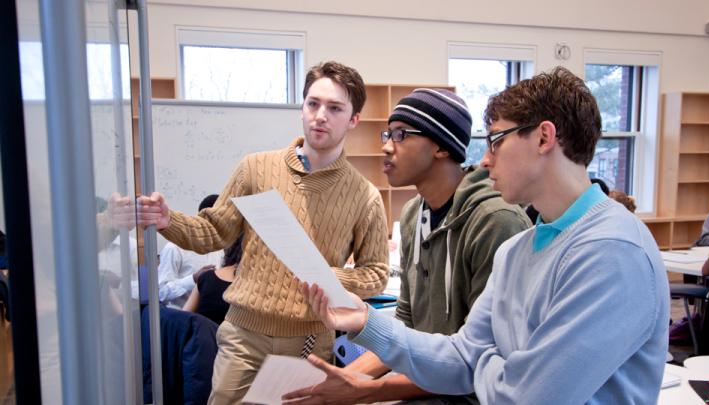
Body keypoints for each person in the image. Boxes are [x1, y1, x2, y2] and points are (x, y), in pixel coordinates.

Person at [301, 67, 670, 404]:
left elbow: (525, 398)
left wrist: (487, 363)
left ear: (544, 137)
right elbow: (461, 358)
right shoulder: (516, 250)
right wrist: (365, 320)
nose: (485, 159)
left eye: (496, 140)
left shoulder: (613, 251)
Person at [137, 61, 389, 403]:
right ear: (302, 108)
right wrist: (168, 220)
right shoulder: (256, 169)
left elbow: (376, 273)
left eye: (334, 108)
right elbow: (213, 231)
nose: (320, 115)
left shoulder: (365, 195)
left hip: (310, 341)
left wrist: (329, 279)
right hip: (244, 335)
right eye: (313, 104)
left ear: (354, 119)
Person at [285, 89, 531, 404]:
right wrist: (342, 380)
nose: (387, 146)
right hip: (425, 382)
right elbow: (405, 325)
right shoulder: (415, 214)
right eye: (388, 133)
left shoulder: (495, 222)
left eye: (401, 134)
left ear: (442, 146)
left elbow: (483, 358)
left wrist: (365, 391)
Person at [157, 194, 224, 309]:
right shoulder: (173, 248)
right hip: (182, 317)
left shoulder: (222, 249)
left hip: (210, 315)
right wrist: (193, 279)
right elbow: (161, 293)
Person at [184, 236, 243, 325]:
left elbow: (184, 317)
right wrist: (192, 278)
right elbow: (162, 291)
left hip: (201, 335)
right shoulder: (173, 249)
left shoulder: (207, 276)